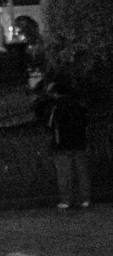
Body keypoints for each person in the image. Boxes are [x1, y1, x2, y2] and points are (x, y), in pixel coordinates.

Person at [46, 81, 92, 209]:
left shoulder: (56, 107)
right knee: (82, 172)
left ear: (55, 93)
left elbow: (50, 125)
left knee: (64, 174)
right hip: (79, 142)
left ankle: (66, 200)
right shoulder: (78, 104)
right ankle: (85, 199)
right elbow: (86, 122)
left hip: (62, 144)